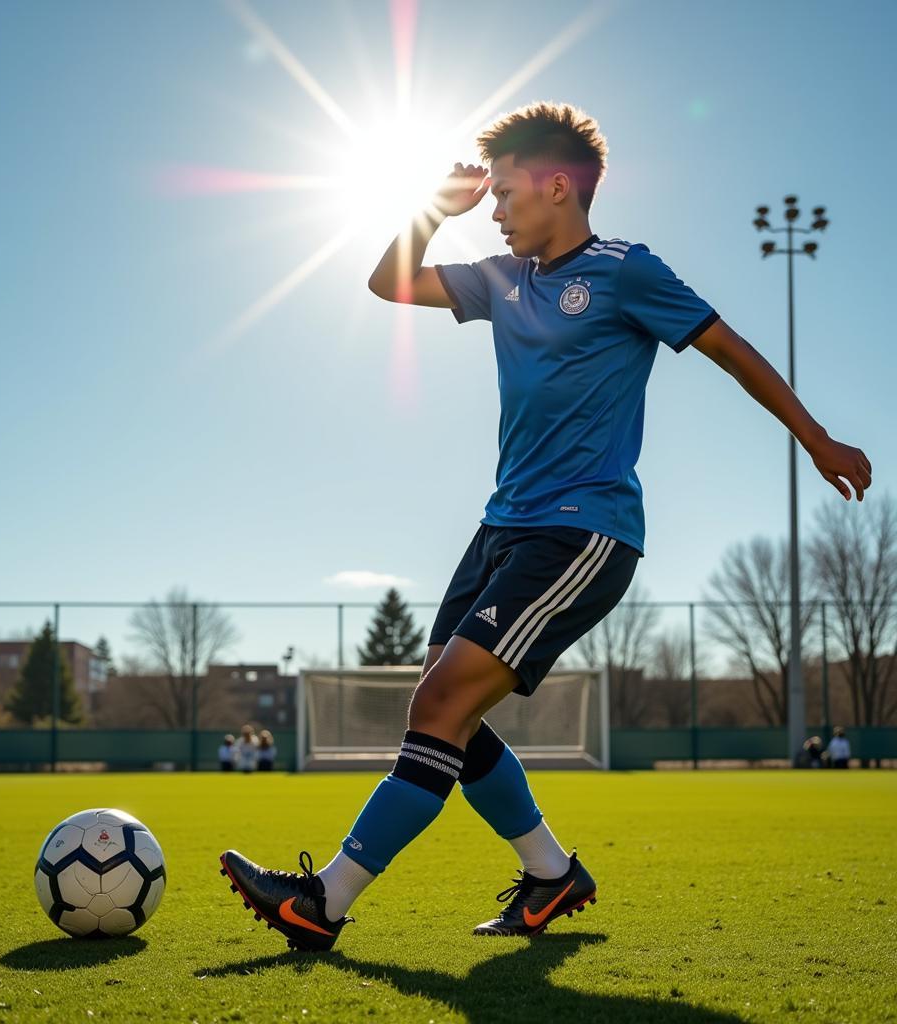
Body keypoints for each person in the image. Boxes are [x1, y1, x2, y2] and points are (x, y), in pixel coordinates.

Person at [219, 102, 873, 952]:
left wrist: (814, 436)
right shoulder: (500, 278)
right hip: (500, 530)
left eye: (504, 194)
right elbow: (389, 283)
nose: (492, 210)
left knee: (440, 702)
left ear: (558, 186)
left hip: (583, 531)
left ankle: (324, 902)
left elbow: (729, 347)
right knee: (445, 711)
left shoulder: (625, 270)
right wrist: (426, 212)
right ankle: (553, 874)